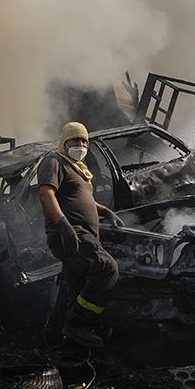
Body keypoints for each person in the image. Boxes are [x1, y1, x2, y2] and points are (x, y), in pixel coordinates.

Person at [35, 122, 120, 351]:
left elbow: (82, 199)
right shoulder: (53, 161)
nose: (80, 145)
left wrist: (105, 211)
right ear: (64, 142)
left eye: (84, 141)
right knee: (107, 269)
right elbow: (46, 194)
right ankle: (78, 323)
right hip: (71, 233)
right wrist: (64, 225)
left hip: (82, 234)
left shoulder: (79, 169)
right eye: (75, 140)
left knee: (78, 289)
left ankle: (71, 354)